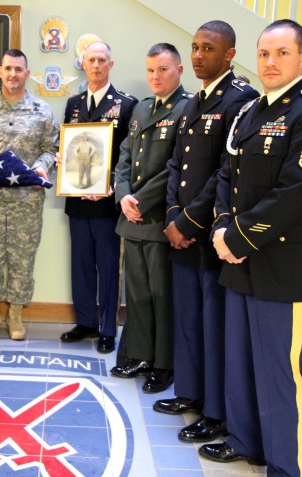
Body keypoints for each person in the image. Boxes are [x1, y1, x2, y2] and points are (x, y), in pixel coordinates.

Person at [200, 20, 302, 475]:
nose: (271, 62)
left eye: (282, 53)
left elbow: (296, 191)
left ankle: (287, 466)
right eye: (264, 53)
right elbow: (227, 174)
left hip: (281, 264)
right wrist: (222, 228)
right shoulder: (249, 112)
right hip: (237, 260)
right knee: (241, 363)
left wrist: (236, 238)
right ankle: (245, 441)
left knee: (282, 376)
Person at [155, 20, 259, 439]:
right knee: (188, 320)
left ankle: (215, 412)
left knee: (215, 326)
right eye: (194, 47)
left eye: (208, 49)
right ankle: (191, 392)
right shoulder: (192, 102)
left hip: (209, 231)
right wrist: (170, 216)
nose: (198, 55)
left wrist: (187, 221)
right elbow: (176, 165)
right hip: (180, 231)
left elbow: (224, 173)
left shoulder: (241, 100)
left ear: (230, 54)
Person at [0, 49, 59, 340]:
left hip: (26, 201)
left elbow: (51, 148)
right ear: (0, 72)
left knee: (22, 258)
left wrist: (42, 167)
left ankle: (15, 315)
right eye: (8, 69)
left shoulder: (42, 110)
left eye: (19, 69)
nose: (13, 74)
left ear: (27, 73)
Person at [110, 43, 191, 393]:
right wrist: (122, 193)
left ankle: (163, 364)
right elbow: (125, 155)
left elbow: (175, 167)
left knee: (161, 294)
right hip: (133, 216)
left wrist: (140, 199)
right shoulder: (142, 108)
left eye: (162, 69)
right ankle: (140, 355)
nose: (155, 77)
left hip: (158, 218)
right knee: (138, 294)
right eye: (150, 71)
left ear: (179, 71)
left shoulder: (187, 108)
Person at [60, 41, 138, 354]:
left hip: (106, 202)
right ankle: (86, 322)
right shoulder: (74, 103)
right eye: (91, 60)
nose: (96, 65)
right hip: (77, 200)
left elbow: (128, 154)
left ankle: (107, 327)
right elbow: (70, 146)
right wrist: (61, 160)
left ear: (110, 64)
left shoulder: (125, 104)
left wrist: (109, 186)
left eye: (102, 60)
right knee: (80, 264)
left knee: (107, 266)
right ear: (83, 63)